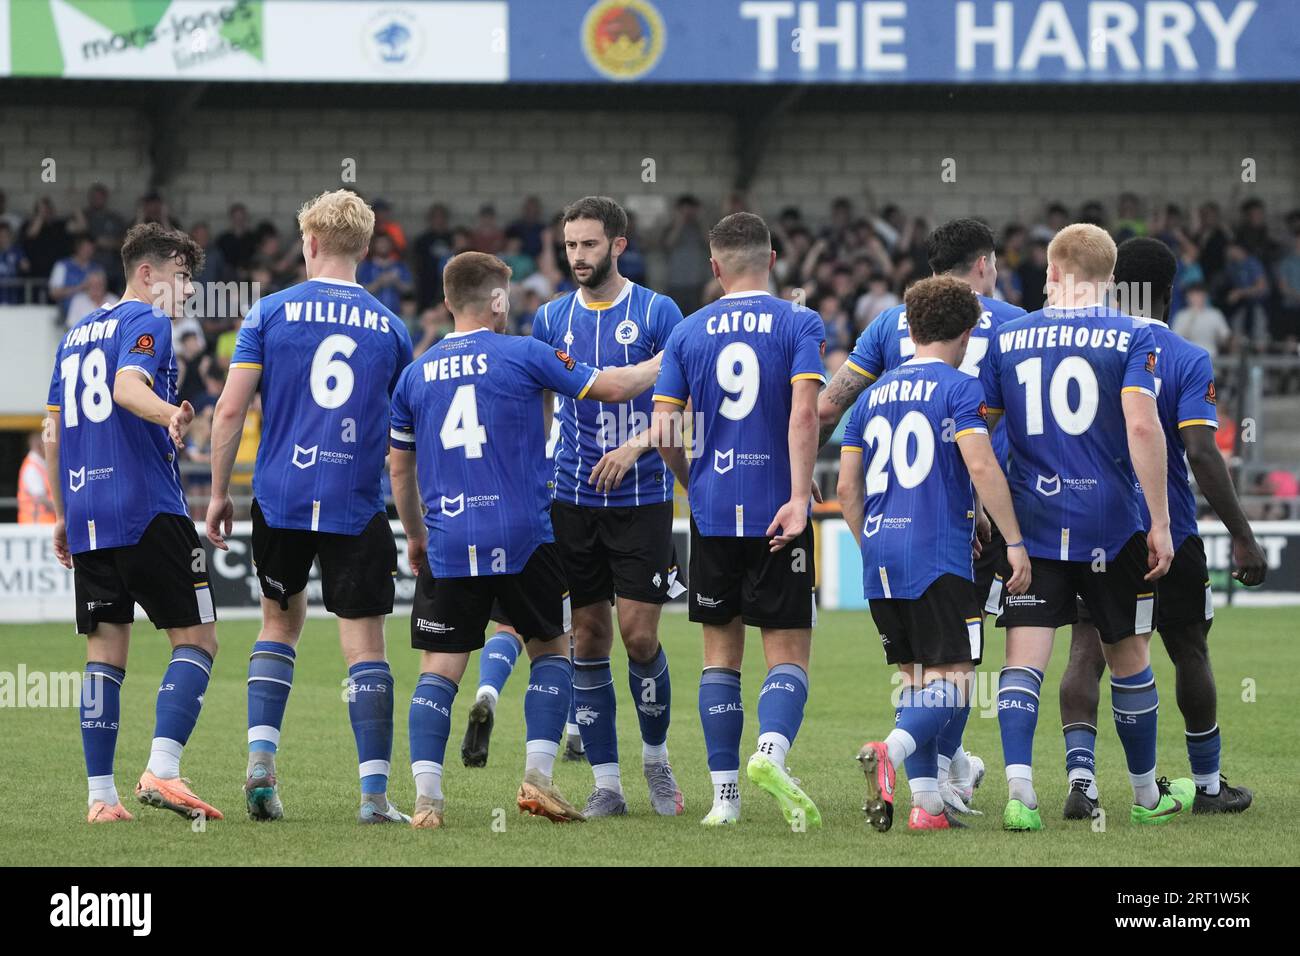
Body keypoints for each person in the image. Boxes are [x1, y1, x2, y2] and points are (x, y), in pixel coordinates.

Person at [387, 251, 663, 829]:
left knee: (439, 668)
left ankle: (427, 802)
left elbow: (399, 468)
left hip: (447, 536)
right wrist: (673, 356)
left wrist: (415, 536)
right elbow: (614, 387)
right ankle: (537, 780)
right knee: (551, 651)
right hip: (524, 535)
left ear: (446, 303)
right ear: (494, 302)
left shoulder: (414, 374)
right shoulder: (526, 354)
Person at [206, 190, 415, 825]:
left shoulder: (268, 311)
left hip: (280, 496)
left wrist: (218, 492)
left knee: (278, 624)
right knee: (366, 647)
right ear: (365, 248)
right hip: (355, 502)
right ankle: (374, 798)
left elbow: (231, 410)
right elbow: (407, 431)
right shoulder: (392, 327)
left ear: (312, 244)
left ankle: (262, 766)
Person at [978, 222, 1192, 830]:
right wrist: (1161, 521)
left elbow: (983, 436)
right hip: (1112, 524)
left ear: (1050, 273)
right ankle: (1147, 797)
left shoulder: (1009, 337)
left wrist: (984, 513)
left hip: (1033, 524)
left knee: (1024, 661)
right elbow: (1144, 428)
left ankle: (1021, 795)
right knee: (1128, 657)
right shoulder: (1134, 335)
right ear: (1110, 280)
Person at [817, 218, 1027, 812]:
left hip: (885, 541)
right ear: (986, 264)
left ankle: (930, 800)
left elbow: (830, 415)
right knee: (957, 670)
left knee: (915, 674)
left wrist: (797, 480)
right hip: (958, 529)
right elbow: (989, 458)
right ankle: (914, 761)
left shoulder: (885, 336)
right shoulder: (1011, 331)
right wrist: (1011, 532)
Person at [1056, 237, 1266, 820]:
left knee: (1087, 649)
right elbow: (1200, 450)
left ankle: (1083, 781)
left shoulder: (1091, 346)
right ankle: (1206, 786)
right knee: (1188, 648)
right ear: (1170, 294)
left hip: (1096, 528)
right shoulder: (1186, 357)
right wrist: (1243, 533)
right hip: (1166, 530)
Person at [649, 212, 825, 828]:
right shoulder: (799, 321)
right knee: (787, 657)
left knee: (719, 656)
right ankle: (771, 754)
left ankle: (724, 799)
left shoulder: (689, 331)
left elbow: (666, 424)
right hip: (781, 509)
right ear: (773, 260)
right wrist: (801, 496)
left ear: (716, 267)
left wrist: (691, 482)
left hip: (714, 508)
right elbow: (805, 415)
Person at [44, 222, 220, 824]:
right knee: (198, 638)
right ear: (148, 273)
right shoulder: (146, 321)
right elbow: (125, 387)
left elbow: (51, 435)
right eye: (182, 276)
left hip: (89, 514)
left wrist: (64, 514)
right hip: (147, 506)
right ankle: (163, 770)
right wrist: (171, 412)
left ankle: (101, 799)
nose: (189, 291)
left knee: (104, 657)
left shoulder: (72, 337)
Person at [520, 196, 686, 818]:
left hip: (642, 497)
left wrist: (637, 444)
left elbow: (685, 402)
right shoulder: (549, 319)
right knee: (586, 638)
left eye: (589, 244)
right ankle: (607, 785)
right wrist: (538, 465)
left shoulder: (657, 311)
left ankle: (657, 760)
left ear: (618, 245)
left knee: (639, 637)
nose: (578, 256)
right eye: (570, 245)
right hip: (570, 499)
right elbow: (537, 398)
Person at [17, 431, 56, 524]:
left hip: (44, 525)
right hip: (35, 527)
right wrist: (65, 511)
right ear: (38, 445)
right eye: (47, 443)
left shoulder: (41, 464)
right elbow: (42, 499)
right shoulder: (31, 468)